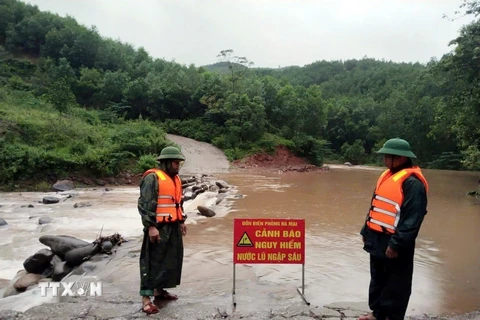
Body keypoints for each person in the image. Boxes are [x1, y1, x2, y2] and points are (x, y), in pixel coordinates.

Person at [359, 138, 429, 320]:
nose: (384, 160)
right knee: (378, 279)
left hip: (395, 243)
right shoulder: (386, 176)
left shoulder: (413, 184)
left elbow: (412, 220)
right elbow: (376, 206)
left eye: (387, 156)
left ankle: (391, 317)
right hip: (377, 238)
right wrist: (365, 231)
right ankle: (377, 313)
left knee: (396, 284)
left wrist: (396, 244)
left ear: (399, 158)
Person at [137, 146, 188, 315]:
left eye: (179, 162)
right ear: (166, 162)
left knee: (170, 259)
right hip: (158, 227)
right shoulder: (152, 178)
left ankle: (160, 291)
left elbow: (177, 203)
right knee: (152, 261)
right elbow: (145, 204)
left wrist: (181, 221)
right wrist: (151, 226)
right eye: (175, 162)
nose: (178, 165)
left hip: (173, 226)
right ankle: (146, 299)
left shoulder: (176, 179)